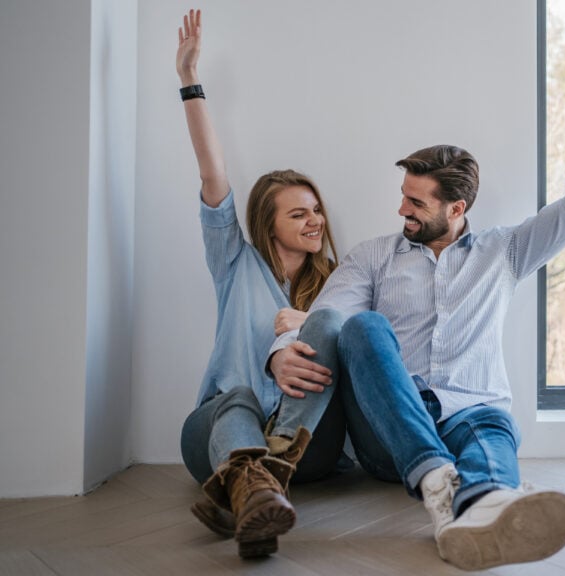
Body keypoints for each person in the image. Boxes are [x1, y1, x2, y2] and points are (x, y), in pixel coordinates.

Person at [267, 55, 565, 570]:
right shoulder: (373, 256)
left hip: (470, 412)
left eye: (416, 202)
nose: (402, 211)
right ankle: (446, 479)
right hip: (389, 427)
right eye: (403, 197)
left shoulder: (505, 252)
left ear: (456, 209)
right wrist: (280, 353)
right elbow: (326, 316)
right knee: (365, 327)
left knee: (492, 430)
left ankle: (479, 507)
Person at [174, 9, 346, 558]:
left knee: (332, 329)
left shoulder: (337, 287)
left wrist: (309, 321)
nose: (314, 220)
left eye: (315, 210)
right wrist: (189, 80)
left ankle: (247, 492)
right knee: (239, 396)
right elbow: (212, 174)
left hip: (305, 446)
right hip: (216, 429)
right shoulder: (234, 263)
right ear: (265, 223)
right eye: (298, 214)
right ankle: (257, 495)